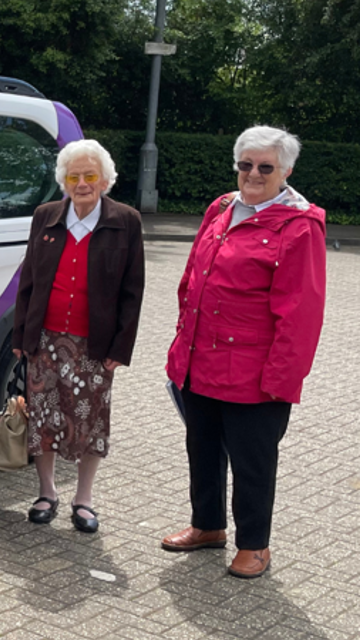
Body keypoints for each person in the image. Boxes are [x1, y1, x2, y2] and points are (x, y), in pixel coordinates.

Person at [162, 125, 326, 579]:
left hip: (254, 373)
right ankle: (207, 526)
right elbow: (192, 277)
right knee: (202, 447)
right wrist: (180, 347)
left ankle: (255, 545)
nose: (254, 173)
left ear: (286, 171)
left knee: (253, 462)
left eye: (266, 167)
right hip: (199, 360)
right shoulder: (221, 207)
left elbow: (301, 315)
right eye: (246, 164)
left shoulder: (299, 225)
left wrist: (281, 382)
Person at [12, 139, 144, 534]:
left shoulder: (126, 220)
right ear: (64, 180)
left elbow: (132, 290)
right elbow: (29, 279)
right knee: (43, 416)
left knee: (90, 420)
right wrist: (21, 334)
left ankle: (83, 497)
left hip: (94, 343)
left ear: (104, 180)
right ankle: (47, 491)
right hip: (46, 338)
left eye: (90, 176)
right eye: (74, 176)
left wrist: (121, 347)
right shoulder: (46, 216)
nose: (82, 183)